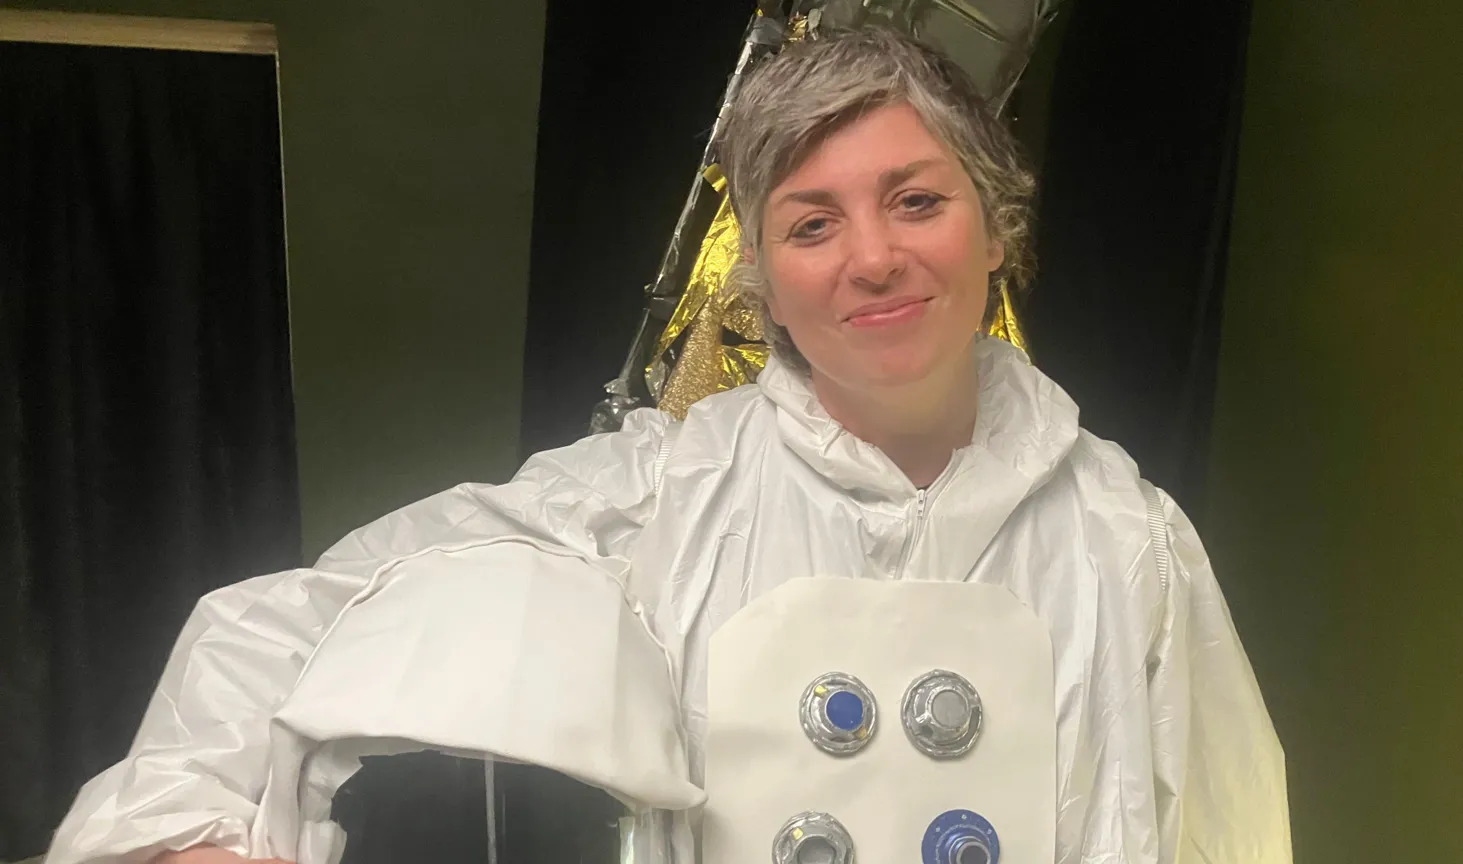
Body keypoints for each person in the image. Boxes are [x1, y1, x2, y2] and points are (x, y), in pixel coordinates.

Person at [45, 28, 1290, 864]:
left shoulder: (1129, 538)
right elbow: (287, 620)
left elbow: (1228, 827)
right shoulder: (659, 497)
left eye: (917, 200)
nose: (873, 257)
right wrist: (184, 824)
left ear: (996, 227)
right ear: (760, 278)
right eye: (813, 223)